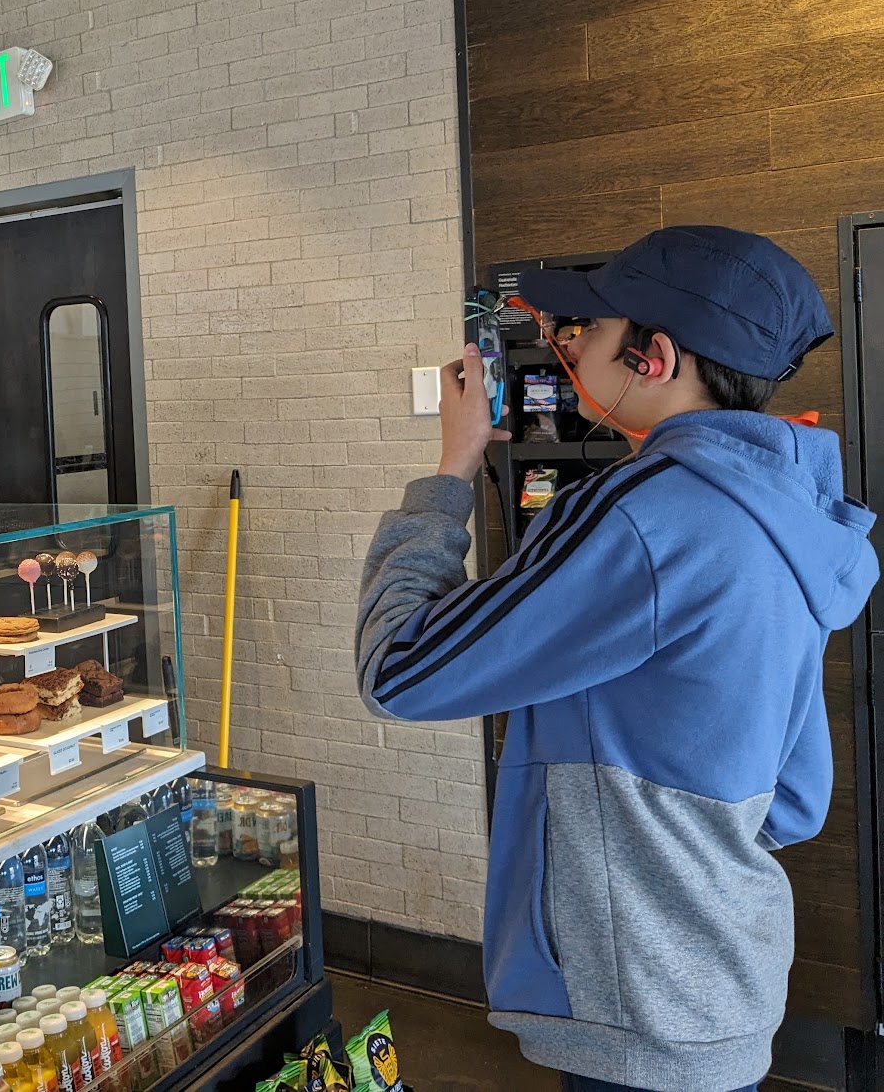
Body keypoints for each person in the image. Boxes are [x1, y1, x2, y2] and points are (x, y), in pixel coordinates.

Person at [354, 227, 878, 1092]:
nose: (568, 350)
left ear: (655, 356)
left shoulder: (643, 517)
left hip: (635, 989)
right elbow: (793, 802)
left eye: (587, 333)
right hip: (721, 971)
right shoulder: (788, 510)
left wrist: (452, 468)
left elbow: (400, 670)